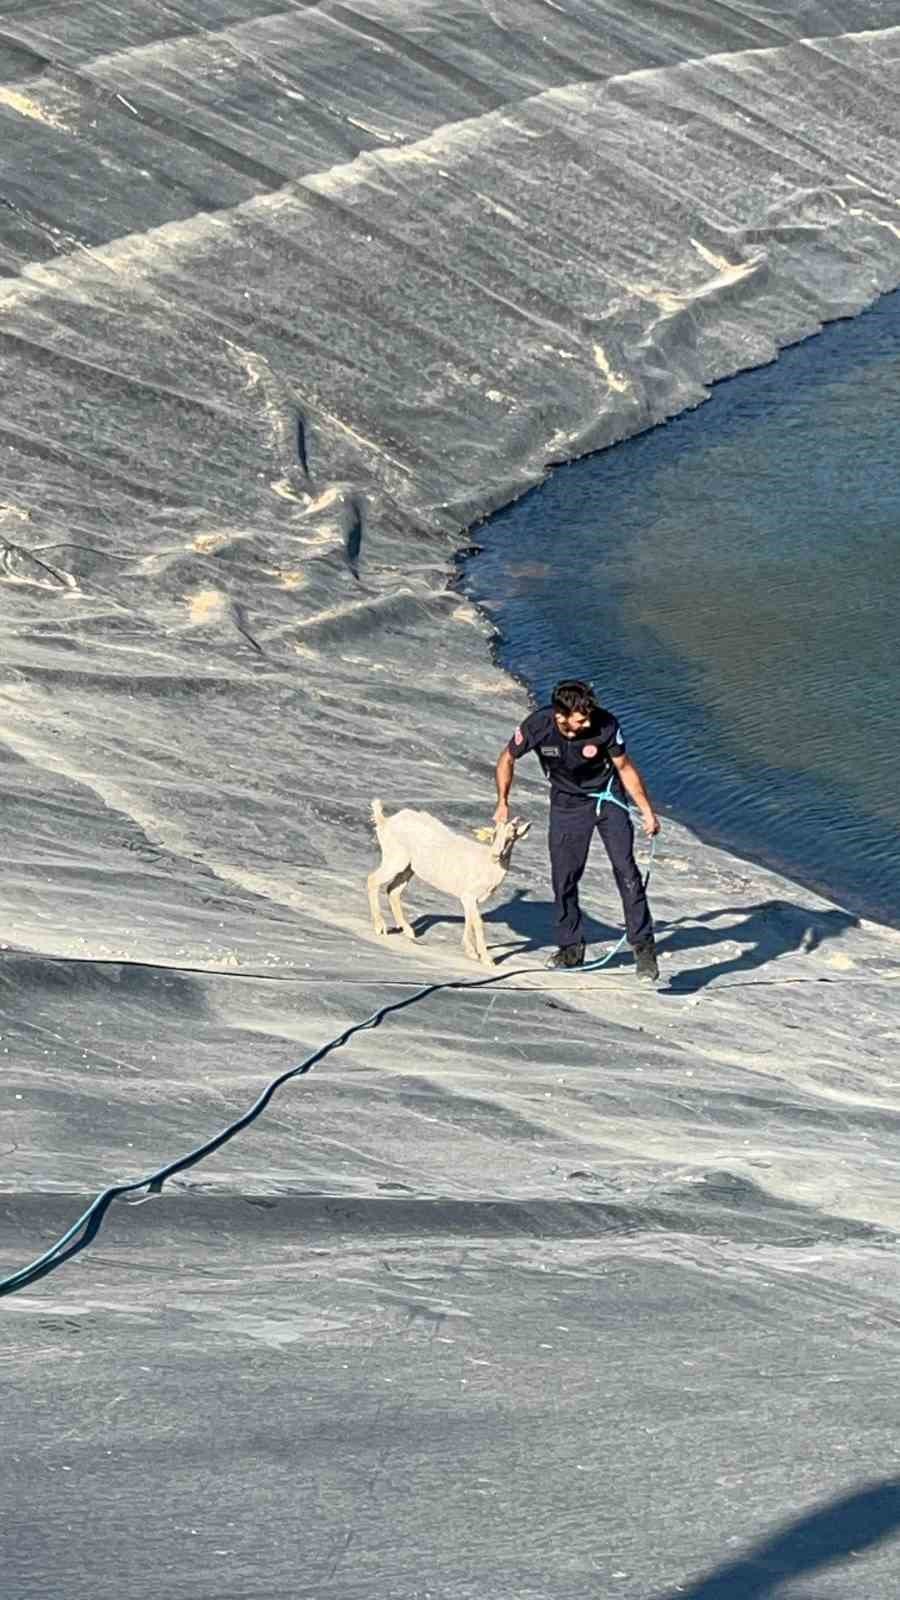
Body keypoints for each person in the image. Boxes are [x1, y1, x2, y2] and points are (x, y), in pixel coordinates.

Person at [494, 679, 661, 978]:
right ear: (561, 716)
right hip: (567, 803)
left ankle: (644, 948)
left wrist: (647, 811)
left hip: (607, 799)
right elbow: (507, 759)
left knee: (627, 871)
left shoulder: (606, 724)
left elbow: (624, 768)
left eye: (589, 716)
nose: (587, 722)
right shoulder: (538, 725)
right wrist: (502, 802)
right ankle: (571, 949)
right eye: (581, 718)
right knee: (565, 877)